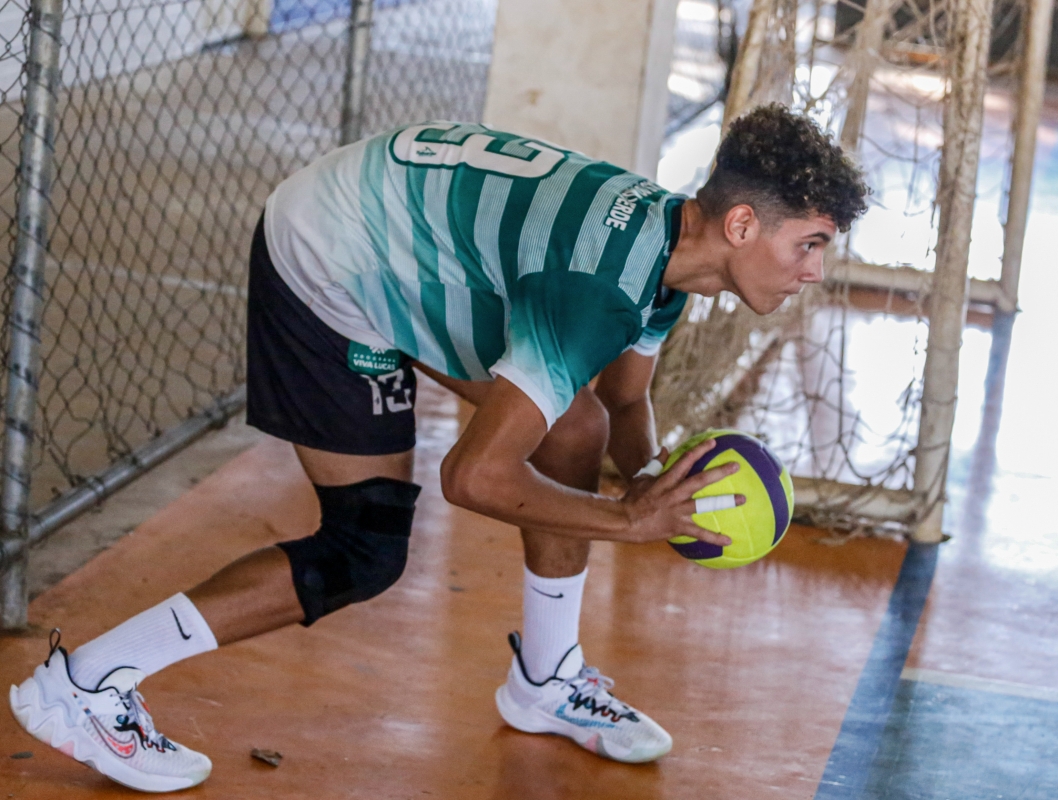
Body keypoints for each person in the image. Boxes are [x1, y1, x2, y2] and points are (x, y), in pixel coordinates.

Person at [8, 103, 868, 792]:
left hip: (408, 226)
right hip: (331, 254)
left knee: (575, 425)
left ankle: (544, 681)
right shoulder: (596, 289)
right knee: (364, 547)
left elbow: (624, 399)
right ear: (744, 225)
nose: (815, 272)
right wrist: (630, 520)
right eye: (810, 245)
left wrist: (658, 485)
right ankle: (82, 685)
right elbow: (474, 476)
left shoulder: (671, 252)